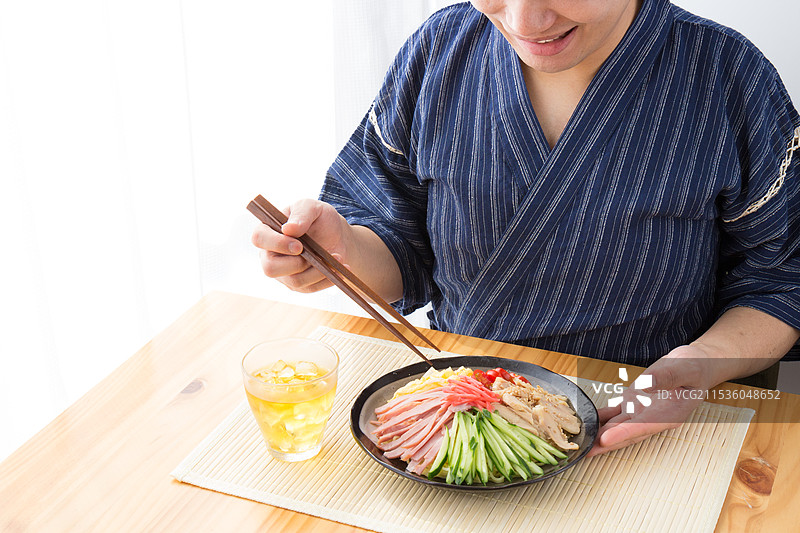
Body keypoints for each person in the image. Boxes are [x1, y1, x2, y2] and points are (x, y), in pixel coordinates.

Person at [251, 0, 800, 456]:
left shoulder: (729, 77)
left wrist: (697, 368)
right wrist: (345, 250)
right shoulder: (440, 49)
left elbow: (782, 279)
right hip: (455, 407)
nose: (524, 21)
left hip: (646, 412)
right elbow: (402, 251)